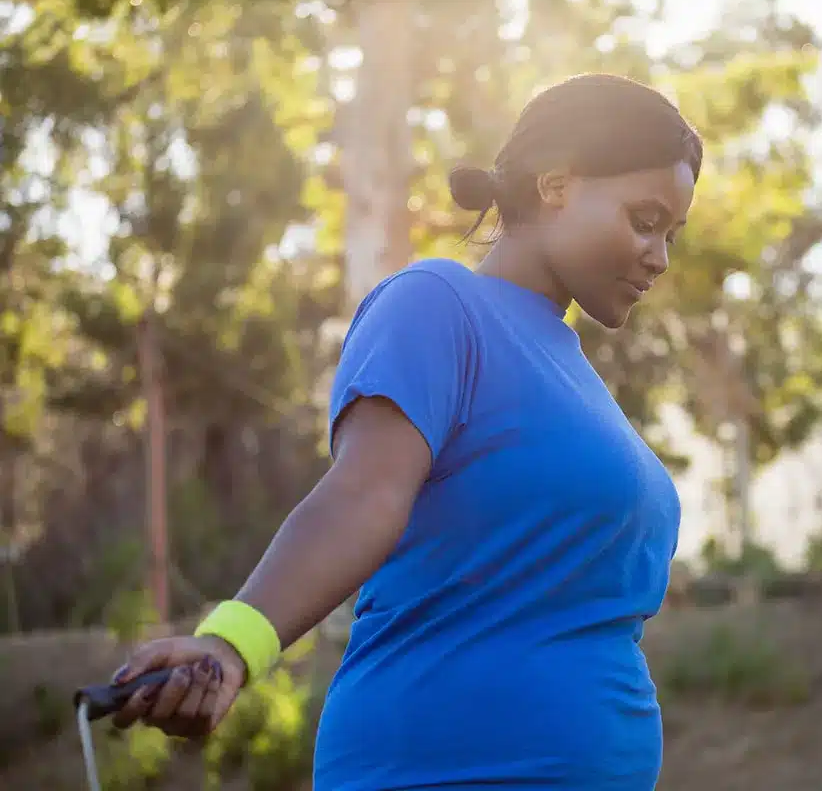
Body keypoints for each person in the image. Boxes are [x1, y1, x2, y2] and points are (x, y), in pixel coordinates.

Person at [107, 72, 703, 790]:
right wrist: (232, 645)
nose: (659, 256)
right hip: (439, 768)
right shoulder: (438, 305)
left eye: (671, 234)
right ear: (557, 185)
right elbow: (363, 496)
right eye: (644, 220)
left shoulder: (574, 374)